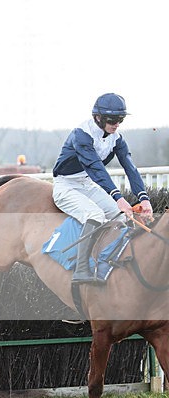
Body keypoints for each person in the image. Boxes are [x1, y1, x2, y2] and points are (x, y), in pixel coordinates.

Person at [52, 92, 153, 283]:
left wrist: (144, 198)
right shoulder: (81, 135)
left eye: (120, 119)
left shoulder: (117, 139)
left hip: (86, 184)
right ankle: (81, 270)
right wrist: (119, 198)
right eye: (112, 119)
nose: (116, 124)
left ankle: (110, 261)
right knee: (95, 215)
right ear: (98, 118)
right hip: (65, 186)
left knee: (123, 215)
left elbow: (130, 168)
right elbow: (95, 168)